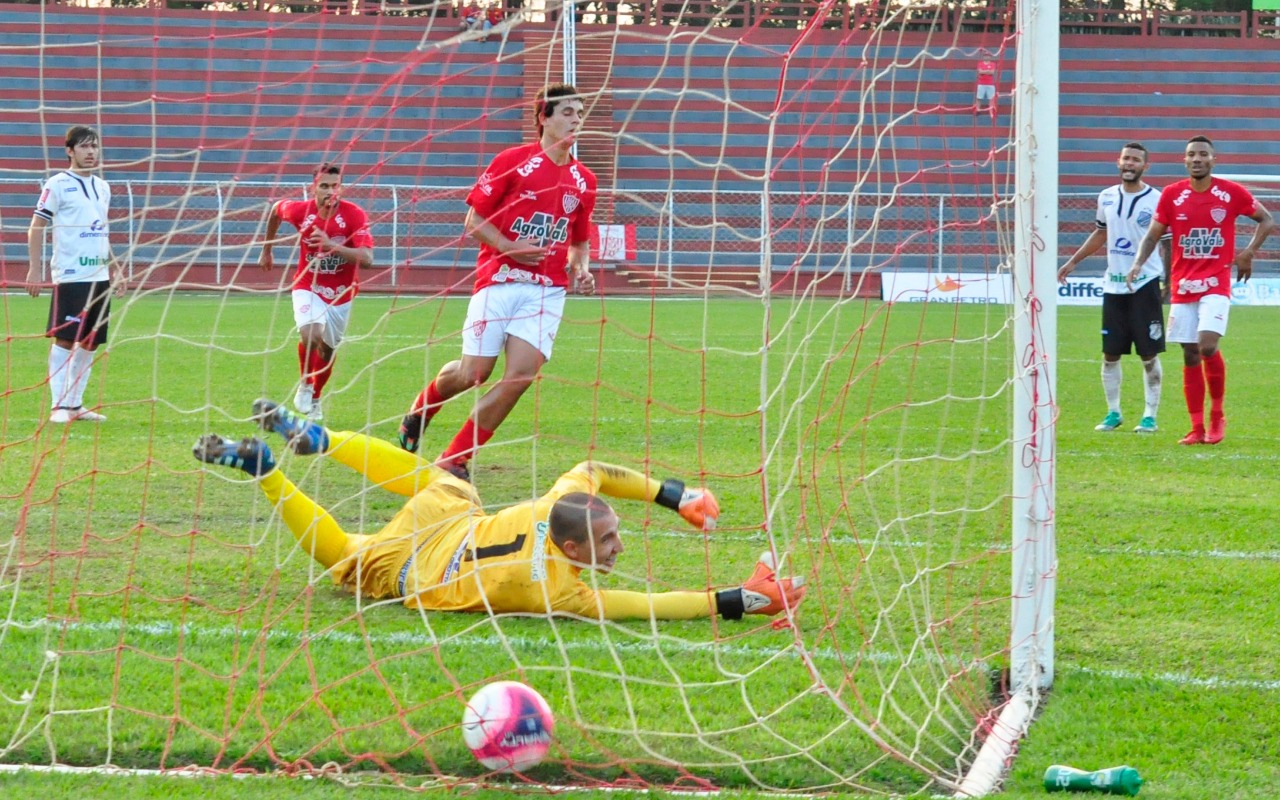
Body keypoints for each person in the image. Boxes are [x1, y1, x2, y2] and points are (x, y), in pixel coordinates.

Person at [192, 399, 807, 621]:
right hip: (420, 572)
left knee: (444, 478)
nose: (621, 545)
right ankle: (267, 470)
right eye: (609, 540)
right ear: (571, 551)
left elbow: (595, 471)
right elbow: (653, 607)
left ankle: (322, 440)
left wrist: (676, 496)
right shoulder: (561, 592)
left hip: (452, 519)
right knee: (342, 559)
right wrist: (742, 598)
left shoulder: (554, 504)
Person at [397, 83, 598, 481]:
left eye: (580, 112)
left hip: (546, 290)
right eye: (568, 113)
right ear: (544, 118)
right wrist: (509, 246)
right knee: (474, 374)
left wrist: (581, 267)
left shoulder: (584, 180)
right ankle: (422, 408)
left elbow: (578, 241)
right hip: (499, 280)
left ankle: (455, 458)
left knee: (521, 377)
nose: (576, 119)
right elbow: (472, 221)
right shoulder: (511, 161)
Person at [1128, 135, 1275, 445]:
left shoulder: (1230, 192)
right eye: (1191, 154)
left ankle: (1217, 415)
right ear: (1185, 160)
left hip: (1216, 283)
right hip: (1183, 285)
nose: (1197, 159)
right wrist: (1138, 262)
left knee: (1207, 346)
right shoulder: (1171, 195)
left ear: (1213, 160)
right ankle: (1196, 428)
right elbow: (1153, 235)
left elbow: (1266, 219)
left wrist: (1248, 252)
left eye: (1203, 154)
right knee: (1190, 354)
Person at [1057, 142, 1172, 435]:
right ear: (1117, 163)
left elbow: (1167, 242)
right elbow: (1101, 232)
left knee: (1148, 355)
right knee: (1110, 354)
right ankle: (1113, 413)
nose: (1129, 164)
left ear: (1146, 166)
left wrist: (1167, 281)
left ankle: (1150, 415)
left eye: (1136, 160)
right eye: (1126, 159)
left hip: (1145, 284)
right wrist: (1073, 261)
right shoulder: (1106, 197)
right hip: (1113, 285)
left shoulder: (1157, 199)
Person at [258, 163, 374, 422]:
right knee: (311, 333)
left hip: (341, 295)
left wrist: (331, 245)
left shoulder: (353, 215)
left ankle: (316, 395)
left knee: (328, 350)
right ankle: (305, 385)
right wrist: (267, 249)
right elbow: (276, 211)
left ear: (341, 188)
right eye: (324, 186)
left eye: (335, 186)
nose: (330, 191)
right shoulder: (301, 211)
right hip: (307, 286)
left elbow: (367, 258)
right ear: (313, 189)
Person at [26, 125, 125, 424]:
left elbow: (101, 231)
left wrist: (116, 267)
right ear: (69, 150)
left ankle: (76, 405)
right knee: (66, 340)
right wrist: (35, 268)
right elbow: (36, 227)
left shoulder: (103, 187)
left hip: (99, 276)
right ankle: (59, 405)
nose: (91, 152)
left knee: (91, 341)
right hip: (71, 275)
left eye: (94, 146)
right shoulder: (57, 184)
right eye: (83, 147)